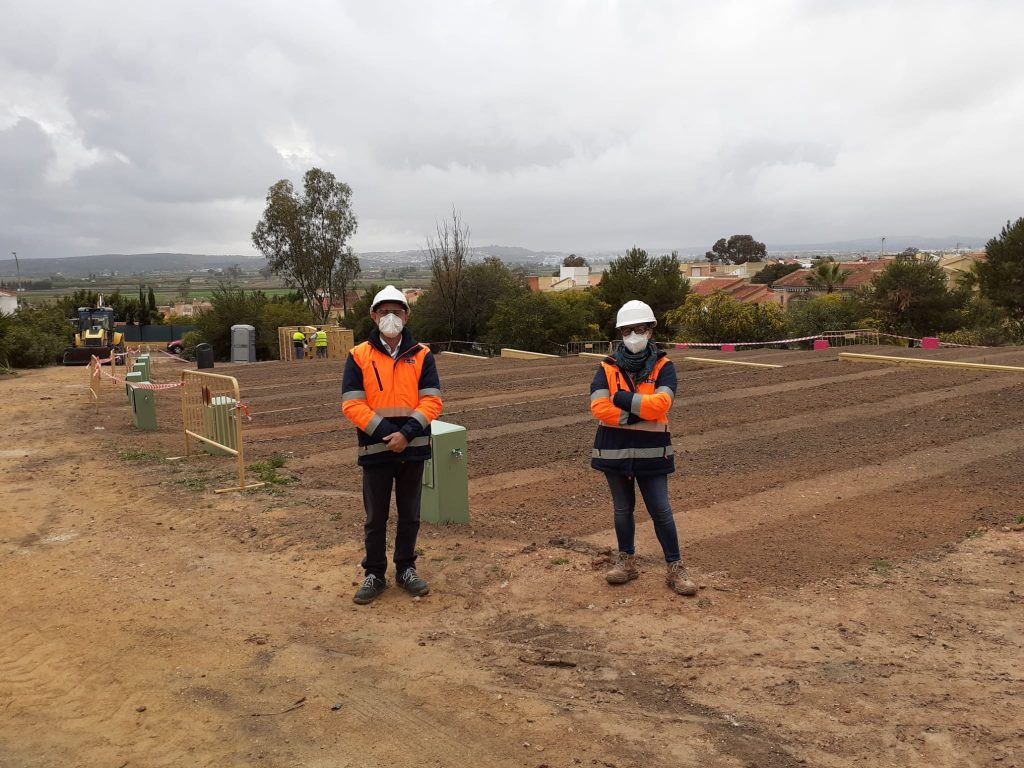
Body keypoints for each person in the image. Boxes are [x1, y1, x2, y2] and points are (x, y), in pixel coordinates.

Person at [341, 285, 443, 604]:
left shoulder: (422, 354)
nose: (390, 317)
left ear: (406, 315)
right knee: (376, 517)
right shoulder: (358, 356)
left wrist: (407, 434)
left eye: (396, 312)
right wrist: (389, 433)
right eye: (384, 311)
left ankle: (405, 569)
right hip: (376, 450)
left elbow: (432, 401)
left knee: (410, 514)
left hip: (412, 449)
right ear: (373, 315)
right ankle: (374, 574)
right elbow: (352, 404)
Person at [589, 300, 697, 596]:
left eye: (639, 329)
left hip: (652, 453)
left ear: (650, 331)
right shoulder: (606, 367)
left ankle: (675, 568)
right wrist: (640, 410)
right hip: (615, 453)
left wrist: (621, 399)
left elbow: (662, 404)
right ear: (620, 334)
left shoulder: (665, 366)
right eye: (627, 330)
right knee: (622, 510)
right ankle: (626, 562)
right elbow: (598, 407)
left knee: (661, 510)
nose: (633, 335)